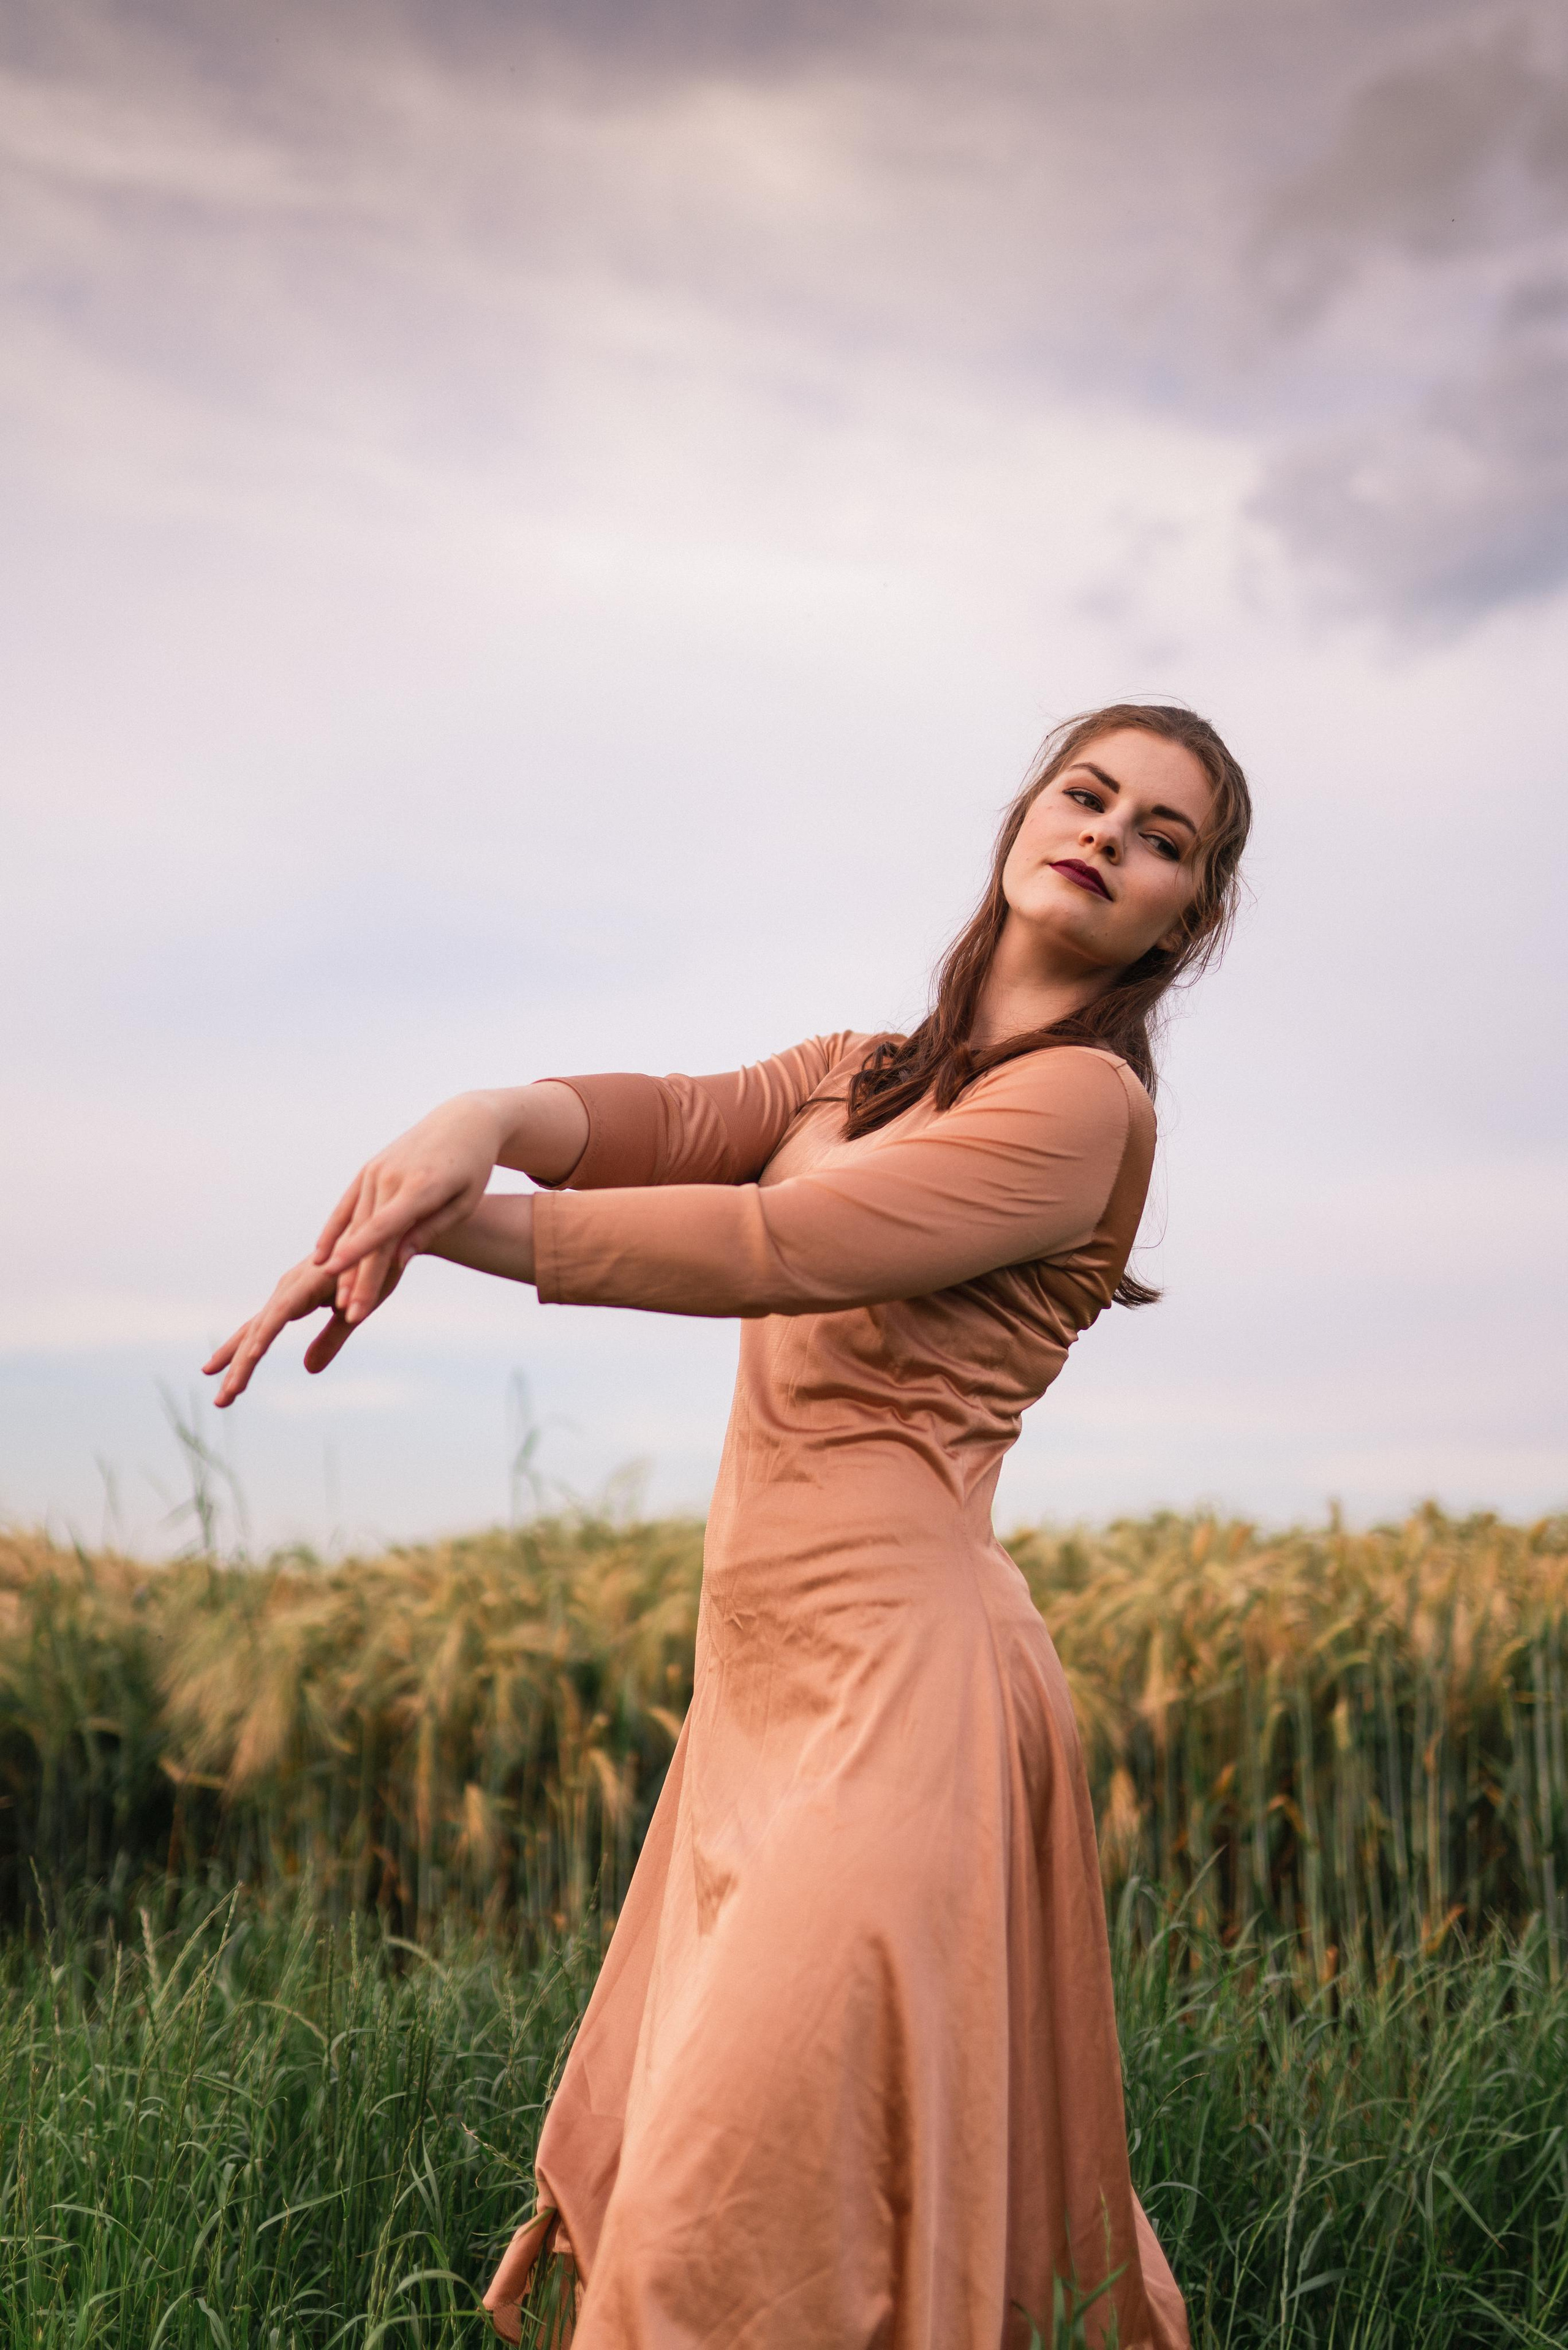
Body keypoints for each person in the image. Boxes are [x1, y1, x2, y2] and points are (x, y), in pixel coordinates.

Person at [206, 701, 1252, 2350]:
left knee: (723, 2221)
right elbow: (661, 1123)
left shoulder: (1081, 1114)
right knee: (790, 2216)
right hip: (761, 1707)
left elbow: (781, 1239)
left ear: (1186, 920)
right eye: (1091, 794)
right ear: (1025, 815)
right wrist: (472, 1120)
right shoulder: (854, 1073)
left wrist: (447, 1223)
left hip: (906, 1713)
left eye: (1165, 839)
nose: (1112, 836)